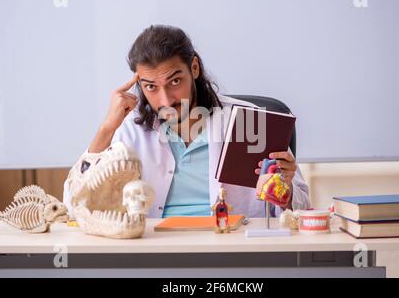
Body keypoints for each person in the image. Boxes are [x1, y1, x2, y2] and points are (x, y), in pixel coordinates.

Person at [63, 25, 311, 218]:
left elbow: (302, 209)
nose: (165, 100)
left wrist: (285, 187)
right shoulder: (129, 131)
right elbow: (74, 205)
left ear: (194, 68)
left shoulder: (251, 123)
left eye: (174, 82)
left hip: (231, 250)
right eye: (150, 87)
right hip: (155, 255)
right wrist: (107, 129)